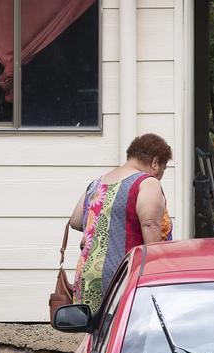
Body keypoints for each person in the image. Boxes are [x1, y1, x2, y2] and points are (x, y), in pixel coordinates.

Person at [69, 133, 173, 312]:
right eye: (163, 169)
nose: (160, 176)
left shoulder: (98, 183)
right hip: (122, 278)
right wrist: (156, 272)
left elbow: (76, 221)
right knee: (130, 335)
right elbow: (150, 225)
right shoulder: (146, 182)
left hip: (87, 277)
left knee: (98, 336)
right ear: (155, 162)